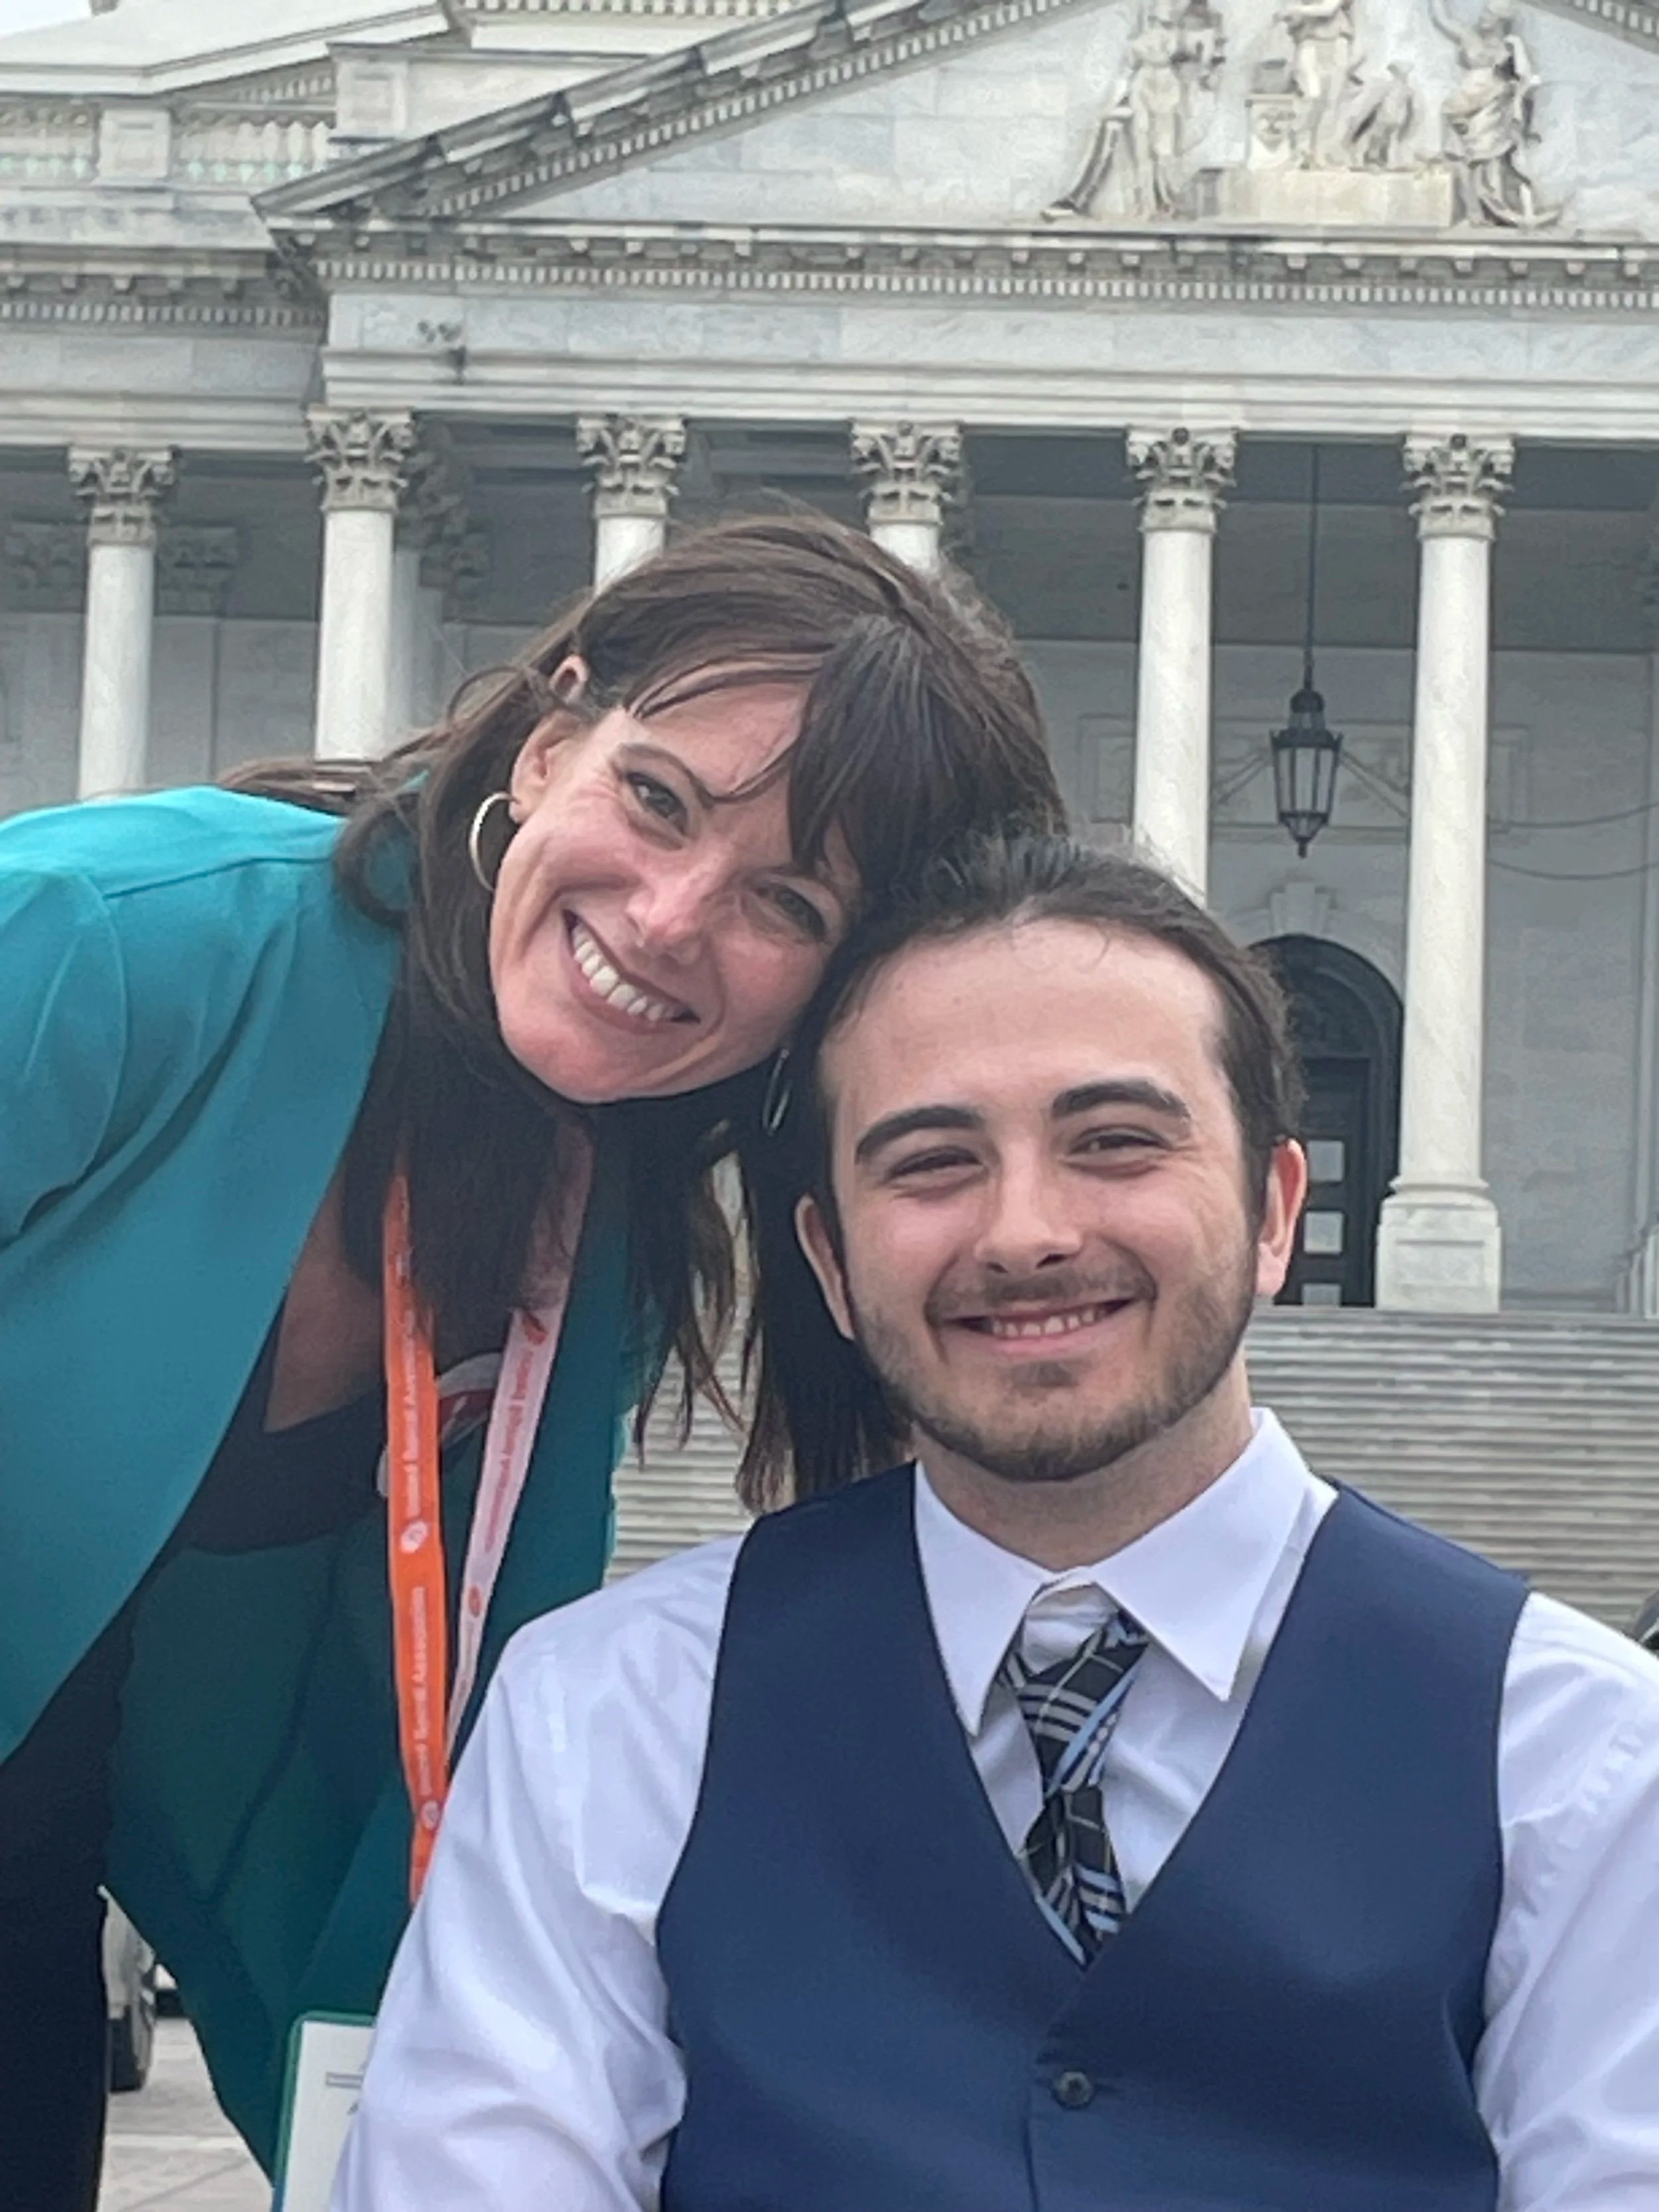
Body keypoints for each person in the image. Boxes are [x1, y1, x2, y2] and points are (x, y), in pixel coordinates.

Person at [338, 832, 1659, 2211]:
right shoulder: (606, 1714)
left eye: (1112, 1143)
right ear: (829, 1263)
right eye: (930, 1162)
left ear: (1273, 1210)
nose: (1022, 1230)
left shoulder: (1580, 1756)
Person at [0, 513, 1064, 2212]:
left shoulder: (598, 1221)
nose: (666, 916)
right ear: (554, 734)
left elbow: (449, 1735)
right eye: (656, 799)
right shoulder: (110, 943)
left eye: (782, 899)